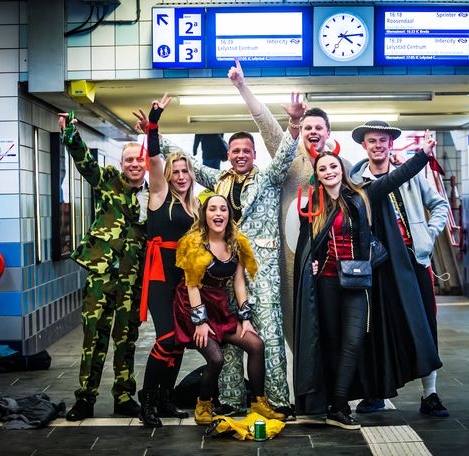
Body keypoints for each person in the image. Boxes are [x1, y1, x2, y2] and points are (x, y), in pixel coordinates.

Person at [135, 91, 304, 418]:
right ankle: (231, 401)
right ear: (228, 154)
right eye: (235, 150)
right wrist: (154, 133)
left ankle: (276, 401)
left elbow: (284, 156)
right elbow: (187, 162)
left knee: (265, 339)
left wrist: (294, 125)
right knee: (227, 349)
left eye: (246, 151)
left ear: (254, 154)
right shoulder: (218, 181)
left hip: (263, 274)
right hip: (224, 274)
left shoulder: (268, 178)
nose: (240, 155)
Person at [293, 134, 440, 430]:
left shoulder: (361, 196)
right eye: (323, 169)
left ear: (342, 170)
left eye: (333, 166)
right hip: (327, 285)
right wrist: (313, 262)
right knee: (332, 343)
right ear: (318, 176)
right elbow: (309, 246)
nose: (329, 172)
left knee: (354, 341)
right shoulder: (313, 208)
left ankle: (339, 401)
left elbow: (395, 177)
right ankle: (337, 405)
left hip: (357, 282)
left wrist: (422, 155)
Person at [228, 59, 345, 352]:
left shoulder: (338, 166)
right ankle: (305, 390)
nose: (312, 131)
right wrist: (242, 86)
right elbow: (265, 122)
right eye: (308, 126)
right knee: (295, 324)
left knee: (332, 324)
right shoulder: (288, 157)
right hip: (292, 259)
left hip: (331, 259)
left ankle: (334, 390)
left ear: (328, 133)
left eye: (319, 127)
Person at [350, 122, 450, 417]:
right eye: (372, 141)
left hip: (412, 259)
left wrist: (428, 235)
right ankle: (376, 392)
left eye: (383, 140)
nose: (378, 145)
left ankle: (429, 394)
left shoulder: (411, 173)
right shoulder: (355, 179)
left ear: (390, 144)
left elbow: (439, 205)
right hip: (376, 264)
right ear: (364, 145)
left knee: (423, 326)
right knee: (376, 327)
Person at [58, 113, 147, 421]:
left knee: (126, 340)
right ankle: (85, 399)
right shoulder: (107, 181)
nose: (134, 164)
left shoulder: (153, 196)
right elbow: (85, 163)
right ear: (122, 164)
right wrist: (70, 133)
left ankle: (124, 397)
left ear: (146, 162)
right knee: (93, 338)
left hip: (132, 282)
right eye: (129, 160)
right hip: (101, 276)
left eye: (139, 160)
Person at [173, 195, 285, 425]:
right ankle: (203, 404)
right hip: (192, 305)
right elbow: (192, 285)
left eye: (223, 209)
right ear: (204, 214)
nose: (218, 213)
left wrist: (245, 319)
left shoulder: (236, 241)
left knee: (256, 345)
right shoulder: (193, 243)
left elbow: (238, 282)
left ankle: (258, 403)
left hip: (219, 305)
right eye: (212, 209)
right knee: (216, 359)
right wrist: (200, 322)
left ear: (228, 214)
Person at [135, 94, 198, 427]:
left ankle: (165, 398)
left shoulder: (194, 206)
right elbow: (155, 160)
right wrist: (155, 122)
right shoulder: (159, 194)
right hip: (161, 272)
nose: (181, 175)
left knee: (180, 343)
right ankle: (146, 402)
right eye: (176, 171)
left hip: (184, 277)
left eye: (185, 170)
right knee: (167, 338)